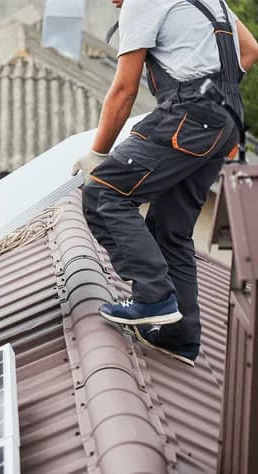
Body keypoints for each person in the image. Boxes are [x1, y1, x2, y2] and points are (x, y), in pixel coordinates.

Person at [74, 0, 258, 367]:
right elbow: (250, 49)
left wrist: (98, 155)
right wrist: (213, 90)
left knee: (102, 194)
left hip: (190, 115)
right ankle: (180, 336)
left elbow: (124, 90)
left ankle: (153, 296)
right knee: (170, 228)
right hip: (225, 120)